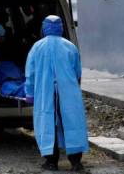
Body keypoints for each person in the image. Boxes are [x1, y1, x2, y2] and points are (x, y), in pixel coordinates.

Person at [25, 15, 89, 171]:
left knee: (48, 125)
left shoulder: (36, 47)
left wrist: (30, 94)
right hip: (68, 93)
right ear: (61, 27)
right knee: (72, 123)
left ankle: (51, 162)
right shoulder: (70, 46)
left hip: (45, 94)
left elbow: (30, 74)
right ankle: (76, 163)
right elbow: (77, 73)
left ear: (44, 28)